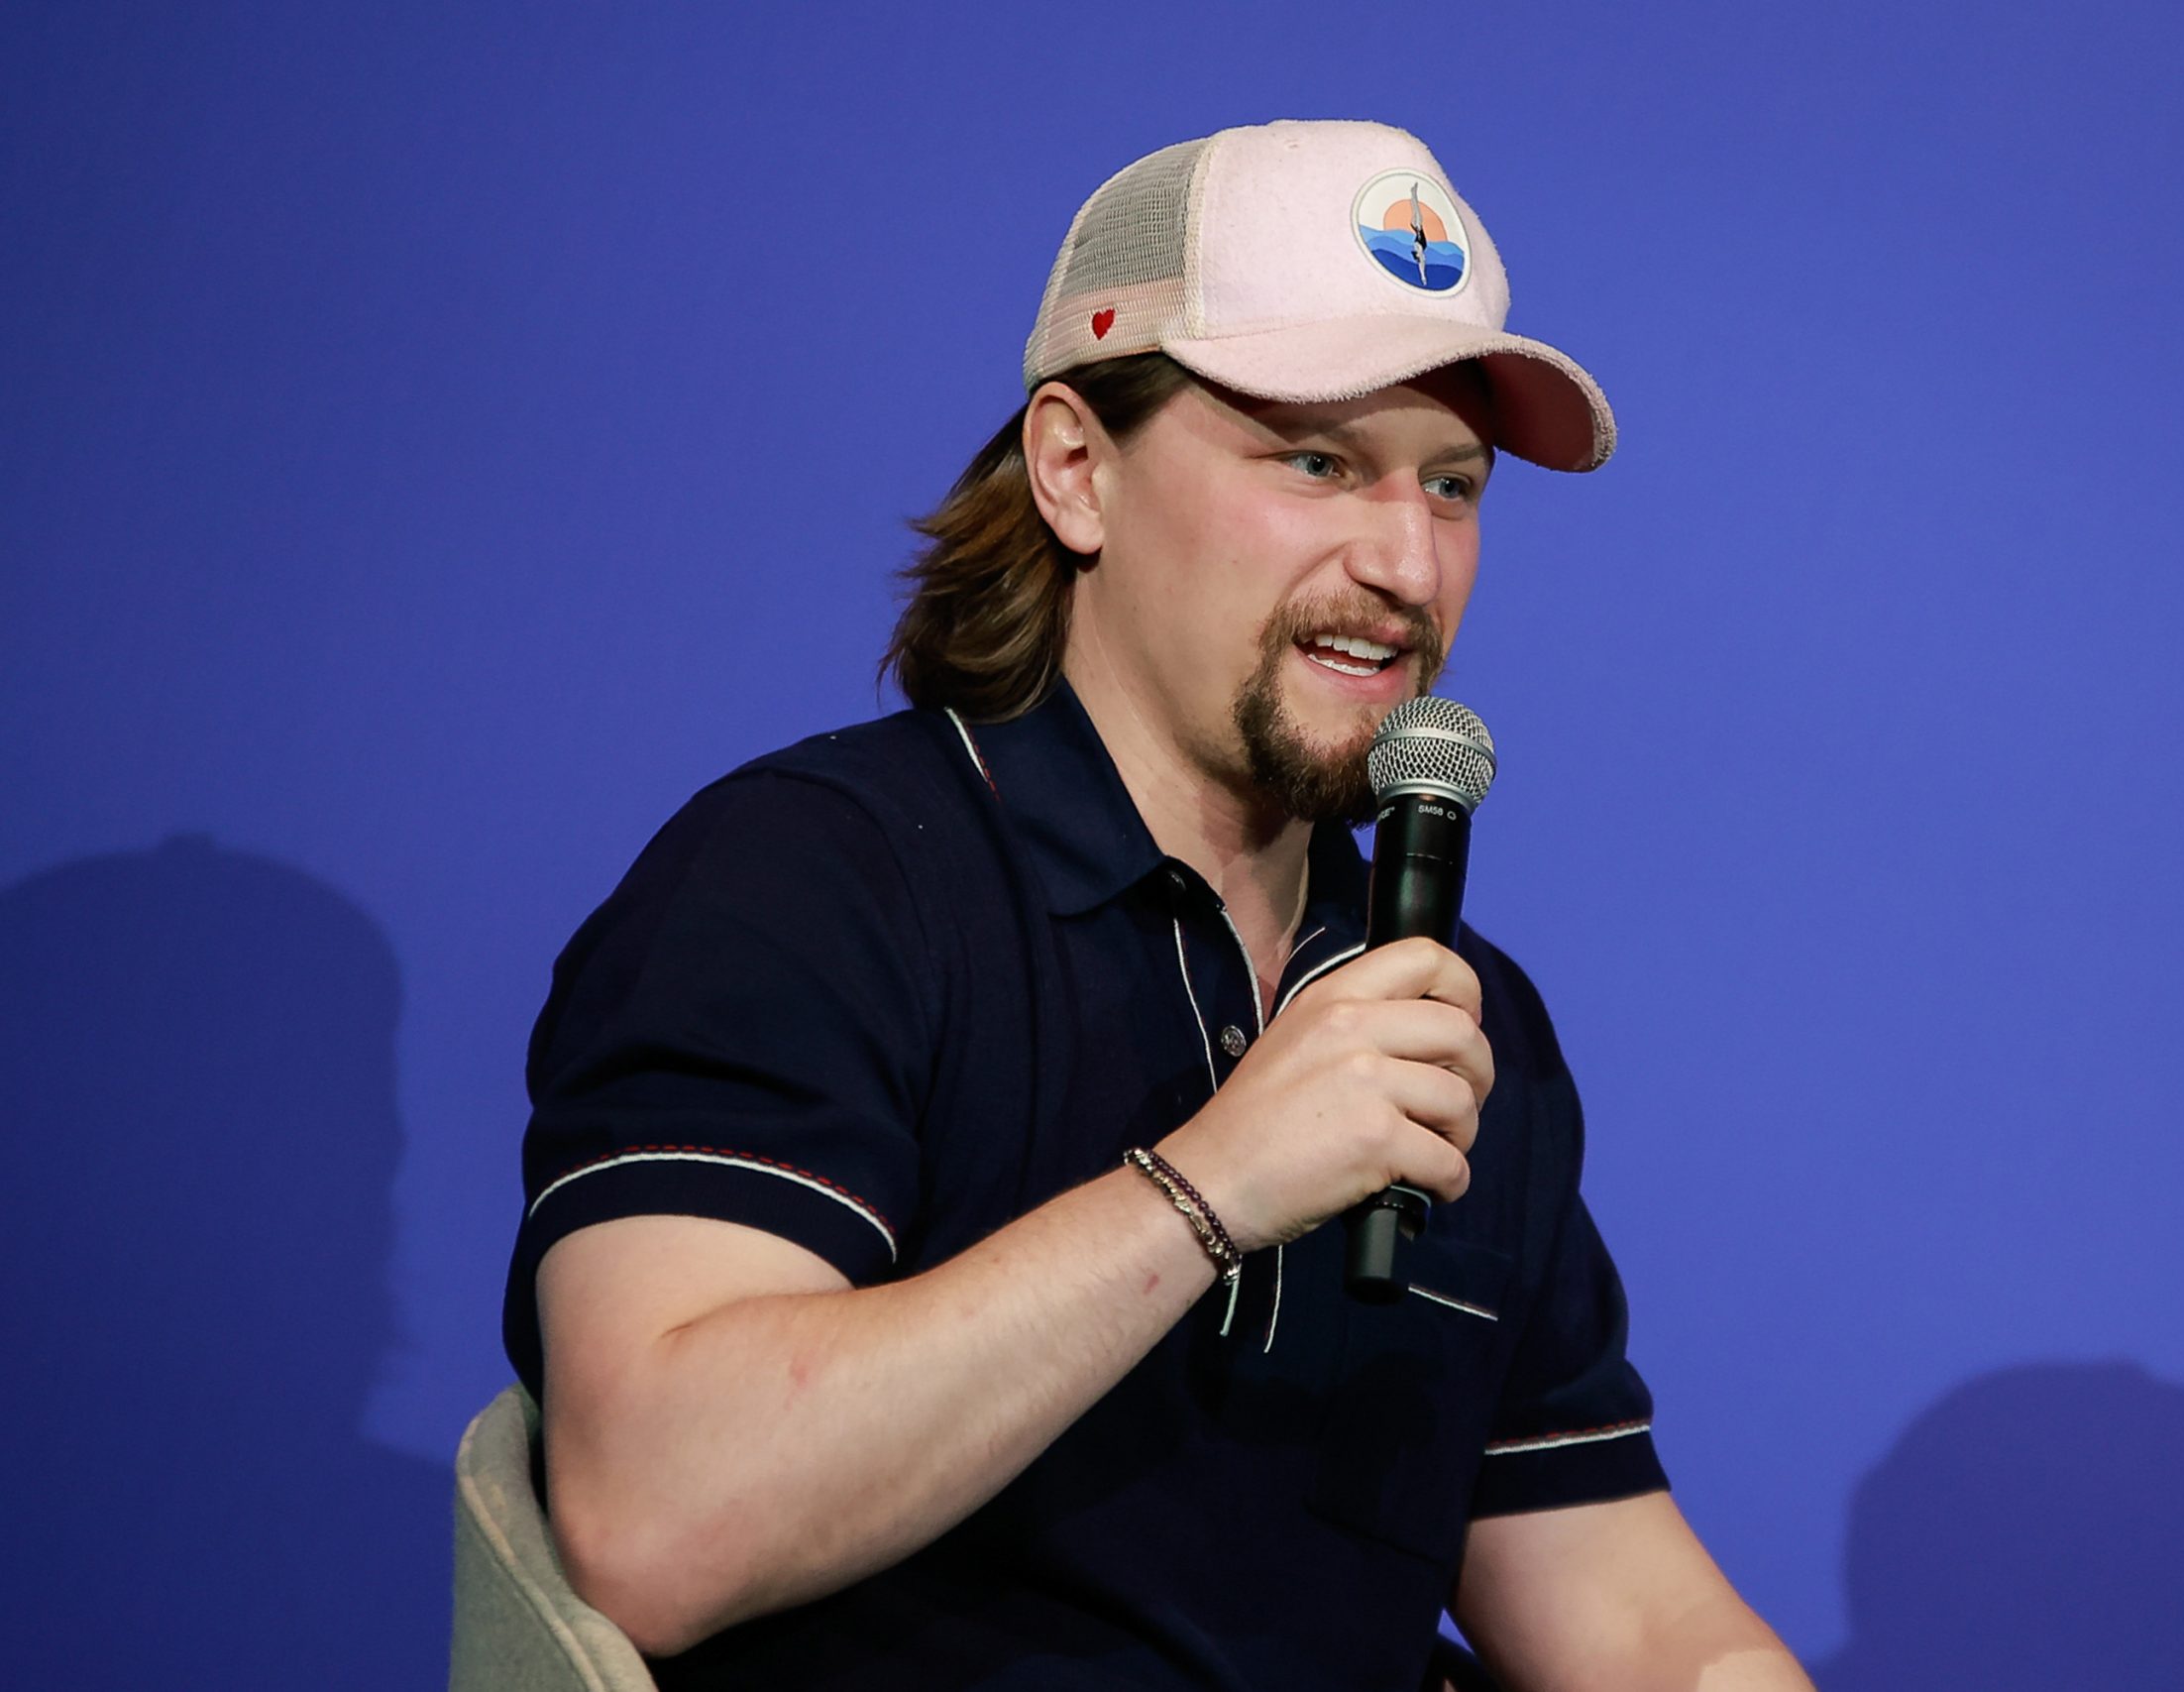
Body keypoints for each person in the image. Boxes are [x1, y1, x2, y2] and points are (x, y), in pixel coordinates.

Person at [502, 120, 1813, 1690]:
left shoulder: (1458, 1018)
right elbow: (657, 1522)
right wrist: (1210, 1190)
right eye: (1318, 461)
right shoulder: (819, 881)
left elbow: (1631, 1614)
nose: (1407, 563)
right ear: (1075, 469)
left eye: (1452, 487)